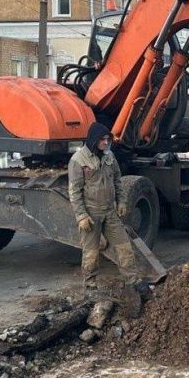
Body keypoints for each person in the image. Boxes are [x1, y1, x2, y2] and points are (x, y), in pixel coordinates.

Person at [68, 121, 137, 292]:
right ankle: (91, 287)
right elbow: (74, 192)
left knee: (124, 247)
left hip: (110, 212)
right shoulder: (78, 160)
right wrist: (81, 216)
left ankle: (132, 282)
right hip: (91, 214)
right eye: (102, 140)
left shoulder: (109, 156)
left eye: (107, 139)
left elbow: (117, 180)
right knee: (91, 254)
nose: (106, 143)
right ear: (93, 140)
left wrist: (121, 201)